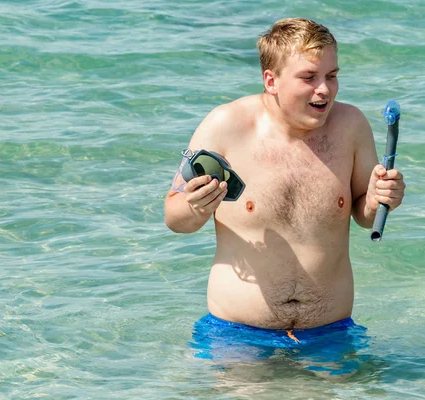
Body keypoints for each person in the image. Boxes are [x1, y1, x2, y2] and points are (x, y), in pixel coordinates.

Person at [164, 18, 405, 376]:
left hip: (331, 333)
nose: (324, 90)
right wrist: (195, 206)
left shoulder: (351, 126)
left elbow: (365, 214)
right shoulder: (226, 125)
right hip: (237, 337)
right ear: (271, 81)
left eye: (332, 75)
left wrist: (381, 199)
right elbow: (174, 217)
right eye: (309, 78)